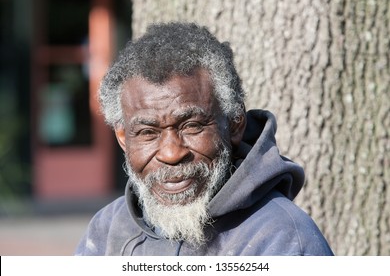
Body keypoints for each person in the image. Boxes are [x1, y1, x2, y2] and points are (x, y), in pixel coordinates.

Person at [75, 22, 333, 256]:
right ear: (122, 137)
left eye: (192, 126)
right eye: (147, 133)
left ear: (234, 124)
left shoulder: (282, 239)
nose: (171, 153)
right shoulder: (107, 230)